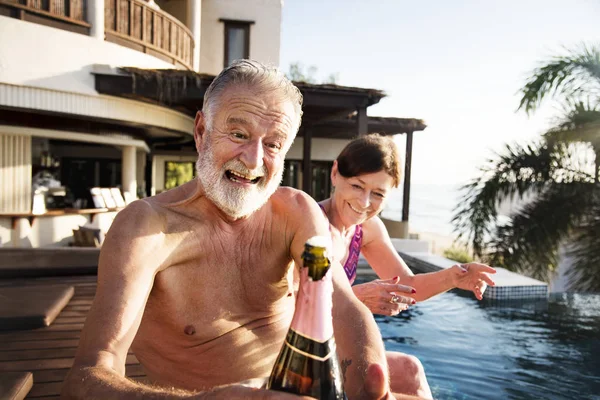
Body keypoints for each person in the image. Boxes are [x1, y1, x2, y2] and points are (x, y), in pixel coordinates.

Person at [61, 61, 419, 400]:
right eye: (238, 133)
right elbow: (86, 378)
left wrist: (365, 376)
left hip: (292, 388)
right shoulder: (146, 229)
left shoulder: (297, 215)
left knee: (408, 377)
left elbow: (340, 304)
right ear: (202, 132)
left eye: (273, 144)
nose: (252, 159)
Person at [318, 134, 497, 399]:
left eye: (377, 193)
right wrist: (357, 299)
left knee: (410, 369)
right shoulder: (311, 224)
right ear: (335, 173)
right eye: (357, 185)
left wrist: (453, 277)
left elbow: (407, 287)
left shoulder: (366, 229)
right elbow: (289, 306)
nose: (364, 202)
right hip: (293, 350)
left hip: (334, 347)